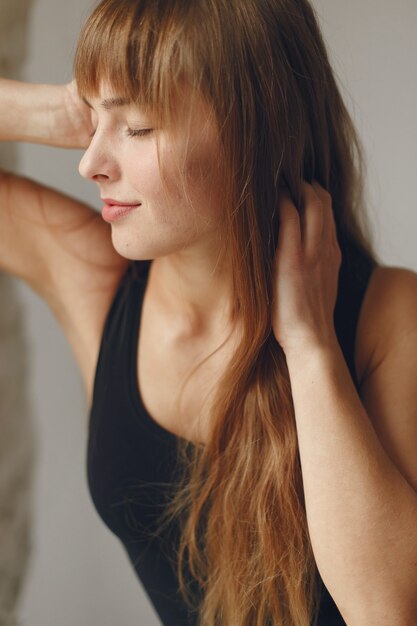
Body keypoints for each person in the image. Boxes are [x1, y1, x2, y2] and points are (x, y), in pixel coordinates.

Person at [1, 0, 416, 624]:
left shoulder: (389, 319)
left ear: (258, 129)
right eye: (95, 122)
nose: (90, 163)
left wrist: (309, 348)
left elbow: (386, 610)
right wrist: (57, 109)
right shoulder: (95, 279)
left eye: (138, 127)